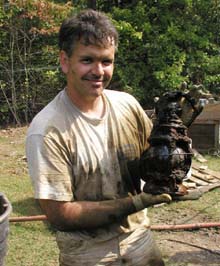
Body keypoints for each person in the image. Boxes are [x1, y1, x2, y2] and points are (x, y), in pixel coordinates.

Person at [26, 9, 171, 266]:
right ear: (64, 61)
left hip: (140, 241)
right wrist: (136, 202)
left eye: (106, 61)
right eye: (87, 60)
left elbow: (153, 159)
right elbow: (60, 214)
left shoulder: (127, 105)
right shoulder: (48, 129)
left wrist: (174, 158)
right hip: (86, 253)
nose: (99, 71)